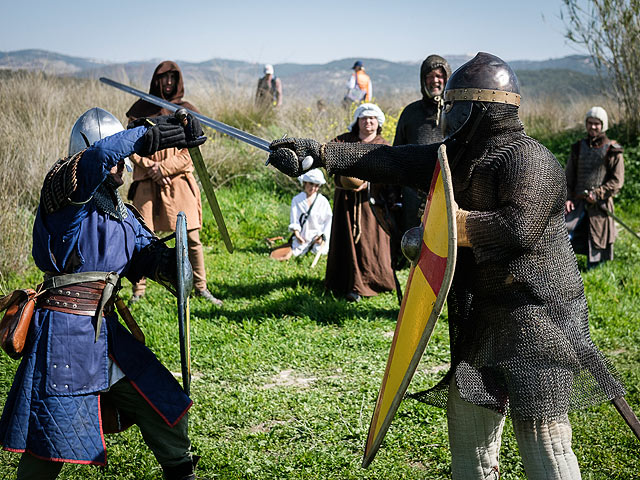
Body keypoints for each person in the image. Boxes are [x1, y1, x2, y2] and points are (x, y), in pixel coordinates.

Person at [267, 52, 626, 478]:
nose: (448, 113)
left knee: (544, 446)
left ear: (483, 108)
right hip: (481, 320)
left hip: (537, 319)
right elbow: (393, 160)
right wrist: (322, 153)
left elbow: (515, 231)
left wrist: (447, 225)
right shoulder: (456, 156)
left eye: (457, 105)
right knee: (470, 445)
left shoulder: (529, 160)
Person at [0, 107, 208, 480]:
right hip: (65, 336)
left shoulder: (124, 215)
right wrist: (150, 134)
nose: (116, 164)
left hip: (107, 336)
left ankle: (181, 472)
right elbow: (97, 158)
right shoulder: (63, 196)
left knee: (162, 401)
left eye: (121, 157)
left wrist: (174, 267)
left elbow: (149, 257)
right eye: (113, 154)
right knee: (54, 441)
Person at [126, 60, 222, 306]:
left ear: (178, 81)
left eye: (172, 78)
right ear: (156, 81)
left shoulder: (187, 110)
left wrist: (165, 168)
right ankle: (139, 290)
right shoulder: (140, 109)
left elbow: (191, 150)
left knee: (192, 237)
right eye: (164, 78)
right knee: (142, 237)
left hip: (178, 180)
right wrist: (151, 167)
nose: (168, 83)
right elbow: (129, 144)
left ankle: (201, 287)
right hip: (147, 181)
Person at [325, 103, 395, 302]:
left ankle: (374, 281)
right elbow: (328, 161)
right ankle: (345, 283)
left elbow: (392, 173)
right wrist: (343, 181)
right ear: (357, 121)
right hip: (346, 202)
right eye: (364, 118)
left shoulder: (384, 146)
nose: (368, 122)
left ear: (378, 122)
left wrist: (369, 183)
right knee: (346, 240)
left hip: (371, 204)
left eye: (372, 118)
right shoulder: (343, 141)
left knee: (370, 242)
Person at [393, 54, 452, 236]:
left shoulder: (457, 111)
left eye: (439, 76)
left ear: (447, 78)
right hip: (414, 196)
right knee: (416, 245)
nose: (435, 80)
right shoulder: (410, 114)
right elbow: (396, 155)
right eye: (430, 76)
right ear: (423, 80)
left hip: (450, 193)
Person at [565, 106, 624, 268]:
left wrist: (598, 194)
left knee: (598, 241)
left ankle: (595, 270)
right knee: (563, 234)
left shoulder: (613, 150)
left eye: (596, 123)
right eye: (590, 123)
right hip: (577, 203)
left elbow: (617, 181)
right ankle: (565, 267)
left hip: (600, 205)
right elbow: (568, 177)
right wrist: (568, 198)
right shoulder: (578, 147)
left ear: (603, 125)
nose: (592, 127)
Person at [288, 168, 332, 259]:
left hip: (317, 238)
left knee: (319, 251)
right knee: (296, 252)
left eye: (316, 185)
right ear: (305, 183)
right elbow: (294, 220)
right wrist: (297, 235)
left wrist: (322, 236)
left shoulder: (323, 201)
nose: (313, 188)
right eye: (311, 184)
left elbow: (328, 222)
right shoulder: (297, 200)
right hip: (302, 238)